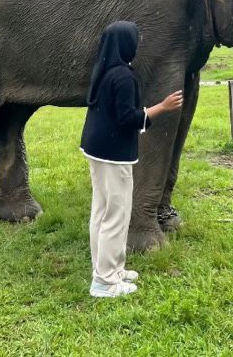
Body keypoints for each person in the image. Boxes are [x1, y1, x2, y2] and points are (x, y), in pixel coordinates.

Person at [79, 21, 184, 298]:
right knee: (116, 214)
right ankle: (105, 282)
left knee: (101, 211)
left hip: (96, 149)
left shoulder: (105, 71)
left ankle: (106, 268)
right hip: (113, 154)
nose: (137, 46)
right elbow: (127, 119)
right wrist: (163, 107)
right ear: (125, 45)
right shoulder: (124, 76)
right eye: (135, 41)